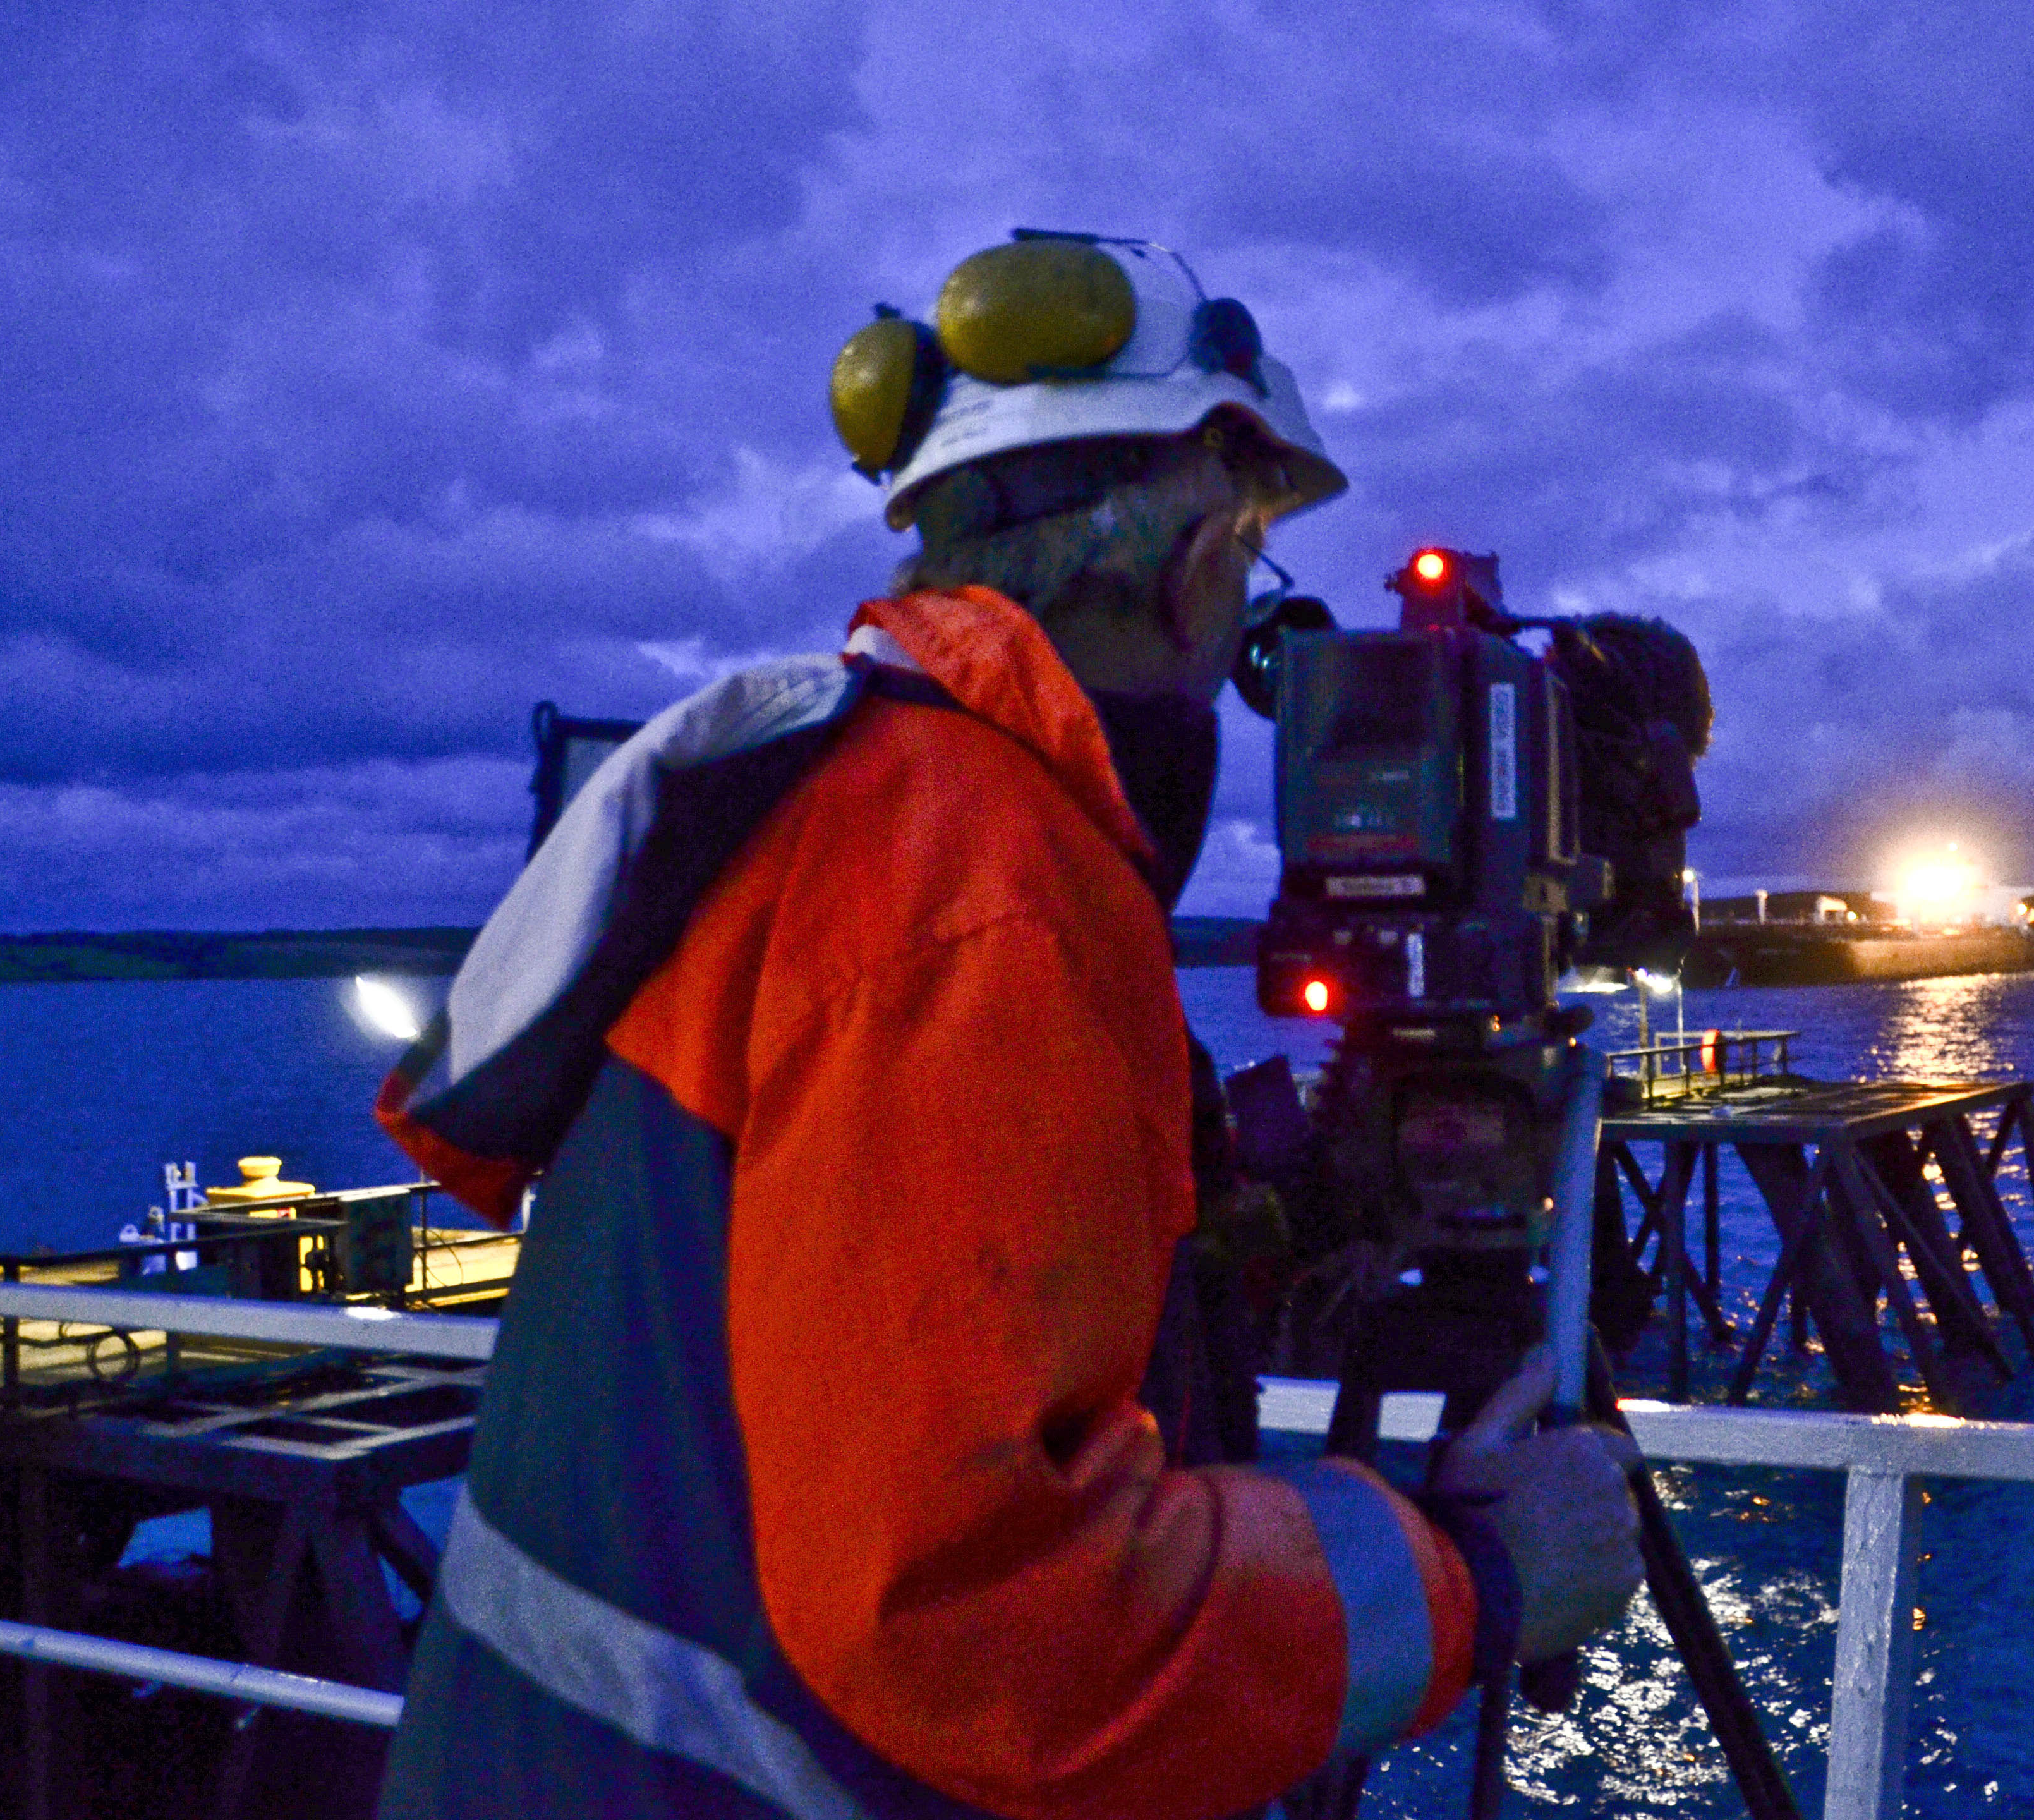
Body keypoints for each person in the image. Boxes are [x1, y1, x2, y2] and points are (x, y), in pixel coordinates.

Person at [372, 233, 1642, 1820]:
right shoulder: (978, 890)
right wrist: (1481, 1577)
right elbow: (986, 1613)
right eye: (1250, 558)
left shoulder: (828, 804)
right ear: (1199, 559)